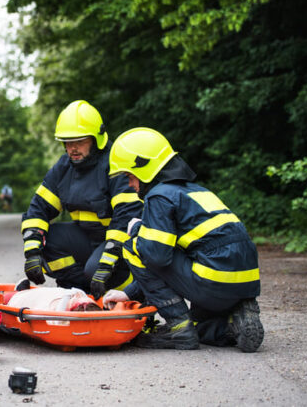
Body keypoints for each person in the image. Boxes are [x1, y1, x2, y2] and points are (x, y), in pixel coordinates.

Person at [104, 127, 263, 352]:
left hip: (213, 278)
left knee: (134, 245)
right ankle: (234, 321)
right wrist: (127, 293)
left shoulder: (159, 196)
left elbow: (155, 258)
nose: (130, 184)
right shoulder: (196, 192)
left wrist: (139, 230)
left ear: (144, 168)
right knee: (201, 327)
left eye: (130, 176)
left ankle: (179, 329)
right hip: (244, 281)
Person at [20, 100, 143, 299]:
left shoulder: (116, 163)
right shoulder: (64, 168)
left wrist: (107, 262)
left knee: (96, 269)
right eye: (68, 142)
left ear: (96, 139)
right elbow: (38, 209)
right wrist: (32, 253)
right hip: (88, 238)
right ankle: (83, 292)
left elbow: (126, 218)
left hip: (121, 244)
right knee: (47, 241)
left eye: (80, 141)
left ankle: (134, 294)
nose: (73, 148)